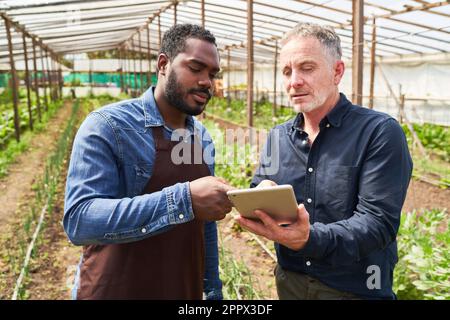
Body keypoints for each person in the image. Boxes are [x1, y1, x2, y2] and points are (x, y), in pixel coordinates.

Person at [236, 22, 413, 300]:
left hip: (353, 288)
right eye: (287, 71)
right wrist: (262, 190)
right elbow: (258, 183)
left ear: (337, 71)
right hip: (291, 280)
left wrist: (309, 239)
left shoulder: (379, 132)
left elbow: (377, 223)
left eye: (307, 68)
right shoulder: (278, 136)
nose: (294, 81)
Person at [64, 24, 234, 300]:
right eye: (195, 68)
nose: (207, 81)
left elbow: (205, 226)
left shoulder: (200, 136)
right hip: (114, 289)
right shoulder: (110, 126)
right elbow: (80, 220)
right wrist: (185, 199)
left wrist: (212, 288)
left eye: (212, 74)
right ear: (164, 64)